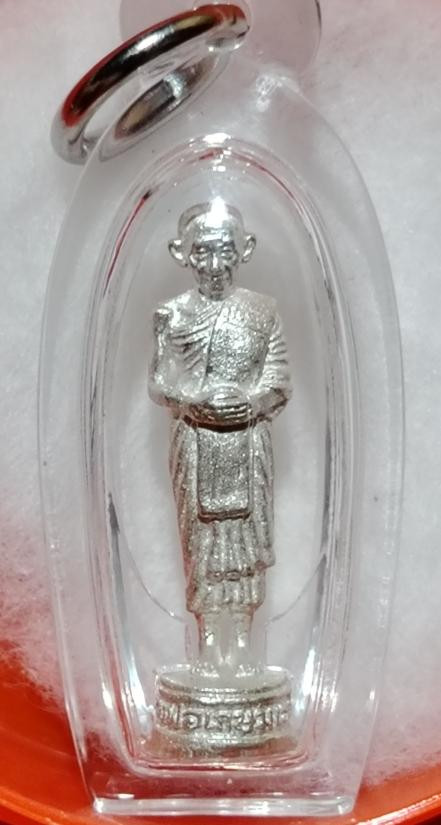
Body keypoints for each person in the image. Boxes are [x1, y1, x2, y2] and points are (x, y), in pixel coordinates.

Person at [149, 199, 291, 676]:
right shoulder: (171, 315)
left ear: (245, 249)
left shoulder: (263, 312)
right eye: (202, 252)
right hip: (194, 443)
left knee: (245, 545)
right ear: (182, 254)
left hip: (248, 446)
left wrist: (252, 404)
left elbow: (279, 381)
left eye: (225, 251)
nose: (214, 266)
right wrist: (192, 404)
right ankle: (210, 643)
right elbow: (159, 384)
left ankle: (244, 645)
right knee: (202, 544)